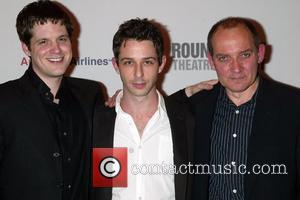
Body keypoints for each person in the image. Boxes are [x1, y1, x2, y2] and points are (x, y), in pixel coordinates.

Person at [174, 17, 300, 200]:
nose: (236, 68)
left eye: (245, 55)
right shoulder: (194, 107)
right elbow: (153, 112)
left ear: (260, 53)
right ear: (211, 60)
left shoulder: (294, 107)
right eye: (224, 58)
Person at [0, 1, 104, 200]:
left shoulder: (91, 95)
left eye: (62, 39)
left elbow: (105, 163)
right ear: (26, 48)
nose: (56, 49)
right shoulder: (3, 101)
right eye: (43, 42)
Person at [92, 18, 194, 200]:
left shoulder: (186, 120)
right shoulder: (96, 122)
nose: (138, 74)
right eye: (129, 62)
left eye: (147, 62)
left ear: (161, 64)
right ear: (116, 65)